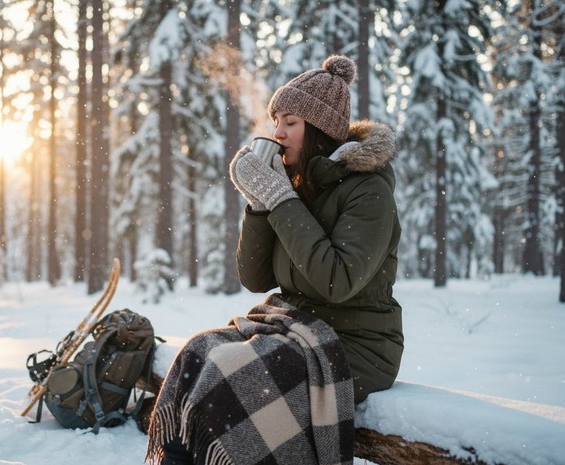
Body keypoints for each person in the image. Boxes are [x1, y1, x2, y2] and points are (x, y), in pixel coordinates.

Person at [146, 55, 403, 465]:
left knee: (237, 381)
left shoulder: (368, 191)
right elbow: (255, 277)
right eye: (276, 121)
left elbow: (336, 281)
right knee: (199, 353)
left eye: (290, 122)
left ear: (319, 130)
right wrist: (259, 203)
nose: (278, 133)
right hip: (294, 327)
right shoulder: (296, 184)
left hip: (358, 344)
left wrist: (281, 200)